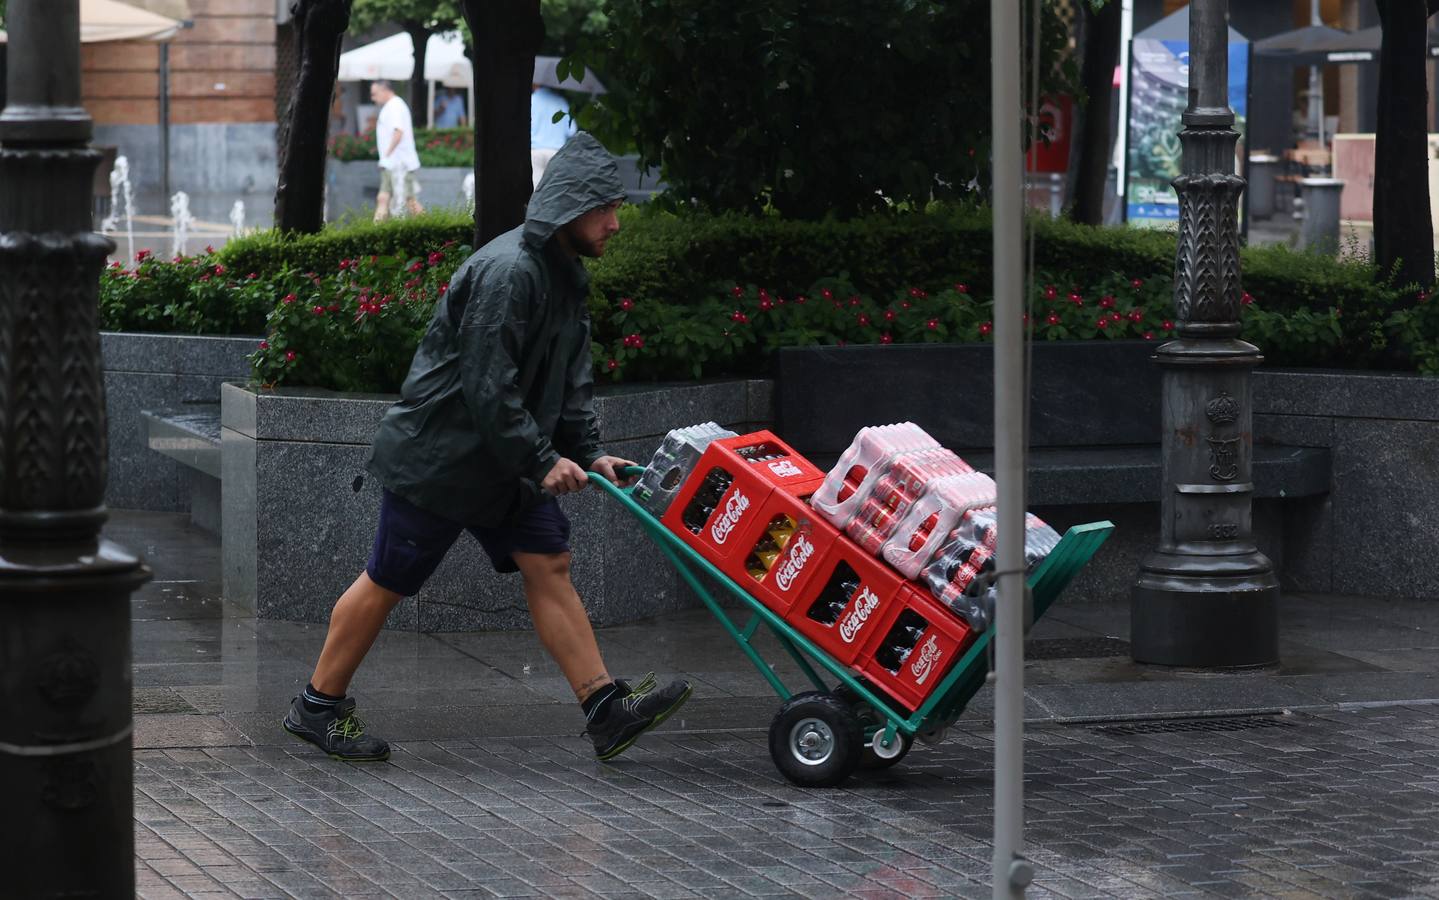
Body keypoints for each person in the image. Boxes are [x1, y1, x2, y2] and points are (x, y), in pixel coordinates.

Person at [282, 133, 692, 764]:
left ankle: (603, 708)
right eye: (603, 208)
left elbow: (570, 381)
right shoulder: (510, 273)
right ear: (569, 206)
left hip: (505, 463)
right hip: (441, 460)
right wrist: (540, 459)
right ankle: (316, 705)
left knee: (548, 564)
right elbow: (485, 381)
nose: (615, 223)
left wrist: (585, 454)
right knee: (389, 579)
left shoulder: (565, 276)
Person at [371, 80, 423, 221]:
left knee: (409, 200)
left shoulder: (395, 106)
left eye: (374, 94)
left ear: (385, 90)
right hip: (393, 163)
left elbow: (398, 132)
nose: (373, 98)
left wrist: (386, 154)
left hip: (400, 163)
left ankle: (432, 230)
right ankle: (376, 231)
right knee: (383, 198)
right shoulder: (392, 106)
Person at [530, 84, 577, 188]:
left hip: (535, 152)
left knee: (535, 191)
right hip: (557, 153)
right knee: (554, 191)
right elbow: (572, 131)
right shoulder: (561, 102)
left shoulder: (531, 101)